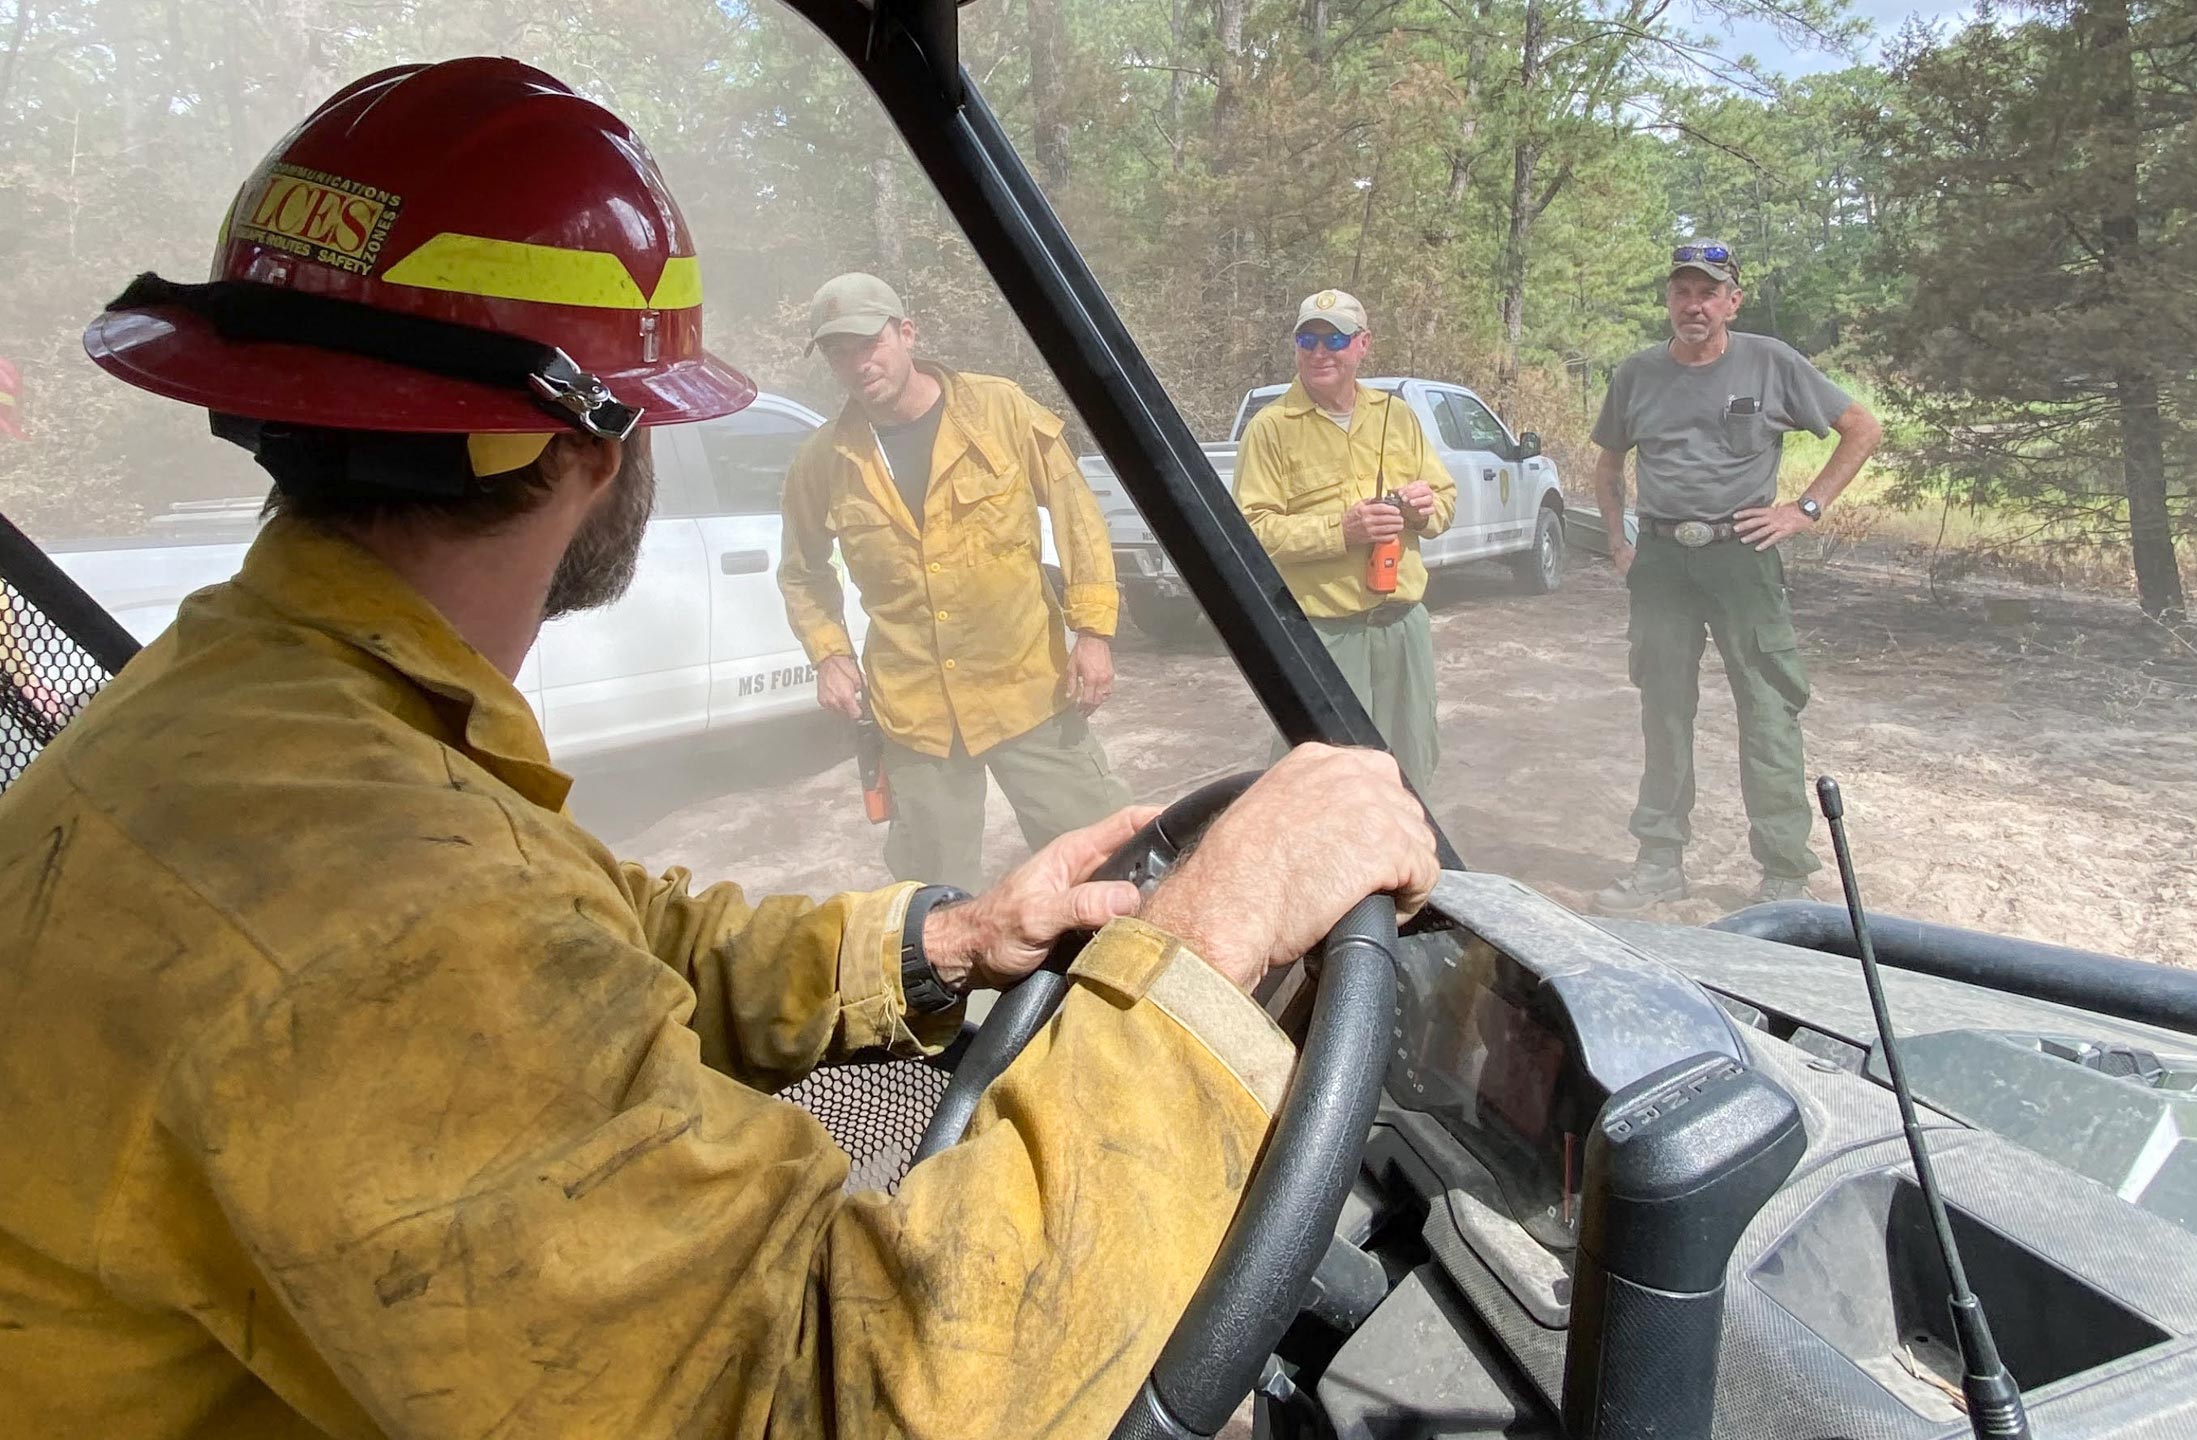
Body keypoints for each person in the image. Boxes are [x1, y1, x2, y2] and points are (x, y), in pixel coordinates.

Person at [0, 60, 1440, 1440]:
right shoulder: (357, 916)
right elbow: (854, 1397)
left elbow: (611, 933)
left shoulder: (279, 717)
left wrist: (950, 939)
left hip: (1019, 700)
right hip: (925, 714)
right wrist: (1213, 935)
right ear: (589, 447)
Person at [778, 273, 1131, 890]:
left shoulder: (999, 411)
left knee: (1102, 861)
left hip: (1031, 688)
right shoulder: (823, 461)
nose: (857, 363)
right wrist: (828, 655)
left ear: (906, 333)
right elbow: (801, 574)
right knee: (935, 902)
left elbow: (1079, 520)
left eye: (869, 342)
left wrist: (1093, 633)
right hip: (918, 715)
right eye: (837, 351)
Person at [1589, 239, 1883, 910]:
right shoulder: (1636, 374)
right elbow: (1608, 466)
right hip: (1661, 559)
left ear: (1732, 301)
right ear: (1668, 299)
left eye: (1707, 293)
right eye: (1682, 292)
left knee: (1768, 709)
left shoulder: (1770, 362)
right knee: (1663, 711)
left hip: (1742, 555)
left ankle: (1783, 872)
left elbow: (1862, 428)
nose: (1694, 305)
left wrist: (1803, 510)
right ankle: (1659, 861)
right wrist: (1619, 542)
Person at [1234, 288, 1456, 792]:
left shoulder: (1395, 416)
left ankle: (1407, 870)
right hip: (1324, 633)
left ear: (1362, 345)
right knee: (1319, 779)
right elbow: (1250, 533)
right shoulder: (1270, 429)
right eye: (1307, 338)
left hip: (1403, 628)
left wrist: (1424, 511)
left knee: (1412, 769)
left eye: (1334, 338)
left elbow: (1443, 500)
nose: (1319, 351)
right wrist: (1342, 531)